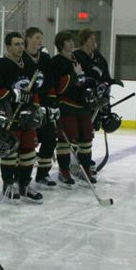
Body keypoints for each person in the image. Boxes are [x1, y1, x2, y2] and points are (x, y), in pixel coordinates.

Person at [0, 32, 44, 203]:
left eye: (22, 44)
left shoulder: (28, 64)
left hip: (26, 115)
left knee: (28, 151)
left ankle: (24, 184)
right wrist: (11, 96)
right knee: (10, 151)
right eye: (16, 44)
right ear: (8, 47)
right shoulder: (0, 64)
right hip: (9, 114)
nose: (21, 47)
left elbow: (34, 90)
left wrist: (36, 108)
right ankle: (8, 183)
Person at [50, 31, 91, 187]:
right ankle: (64, 170)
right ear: (61, 44)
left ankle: (85, 168)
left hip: (82, 105)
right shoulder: (57, 62)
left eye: (72, 40)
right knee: (66, 139)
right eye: (67, 41)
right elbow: (59, 87)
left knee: (87, 138)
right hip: (66, 105)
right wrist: (74, 75)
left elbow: (84, 79)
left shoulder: (77, 59)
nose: (71, 43)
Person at [23, 27, 59, 188]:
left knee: (50, 139)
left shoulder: (45, 58)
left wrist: (52, 103)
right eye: (36, 37)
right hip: (26, 106)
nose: (39, 41)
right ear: (28, 38)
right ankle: (22, 177)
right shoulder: (21, 57)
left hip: (44, 106)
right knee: (28, 144)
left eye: (41, 38)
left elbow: (50, 81)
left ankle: (43, 174)